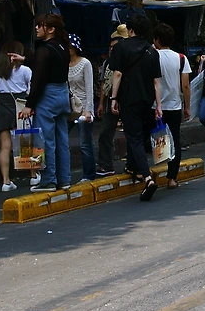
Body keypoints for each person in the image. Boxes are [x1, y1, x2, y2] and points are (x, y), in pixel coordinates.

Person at [109, 14, 161, 200]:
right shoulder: (152, 51)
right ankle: (132, 166)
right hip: (147, 99)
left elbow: (117, 74)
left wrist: (114, 97)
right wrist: (159, 105)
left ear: (130, 30)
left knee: (134, 137)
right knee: (139, 135)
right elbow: (156, 82)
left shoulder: (121, 47)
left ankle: (147, 177)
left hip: (128, 98)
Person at [21, 13, 72, 194]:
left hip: (48, 96)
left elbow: (38, 79)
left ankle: (48, 180)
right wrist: (26, 60)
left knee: (45, 140)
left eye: (40, 25)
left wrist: (29, 104)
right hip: (62, 94)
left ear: (51, 29)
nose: (37, 28)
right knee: (62, 139)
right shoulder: (63, 46)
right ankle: (64, 179)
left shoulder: (44, 49)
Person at [0, 40, 31, 193]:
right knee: (27, 141)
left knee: (5, 146)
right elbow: (31, 89)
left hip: (2, 105)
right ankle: (34, 175)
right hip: (22, 105)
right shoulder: (25, 70)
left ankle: (6, 181)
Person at [154, 23, 190, 189]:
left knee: (153, 139)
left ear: (156, 39)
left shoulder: (152, 56)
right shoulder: (181, 58)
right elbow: (186, 85)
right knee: (175, 140)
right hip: (174, 106)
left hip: (155, 106)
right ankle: (172, 178)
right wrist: (187, 106)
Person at [95, 25, 127, 176]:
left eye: (115, 47)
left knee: (132, 133)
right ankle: (105, 165)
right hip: (109, 100)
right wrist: (101, 103)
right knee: (105, 133)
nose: (112, 49)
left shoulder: (128, 59)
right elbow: (103, 84)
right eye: (111, 47)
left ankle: (133, 164)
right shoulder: (107, 63)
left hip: (126, 99)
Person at [67, 34, 96, 182]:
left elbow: (90, 88)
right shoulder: (65, 63)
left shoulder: (85, 63)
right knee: (61, 138)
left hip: (84, 106)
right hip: (70, 107)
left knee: (85, 143)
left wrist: (88, 110)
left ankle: (89, 174)